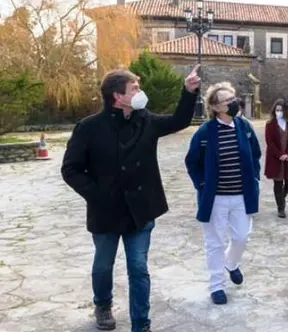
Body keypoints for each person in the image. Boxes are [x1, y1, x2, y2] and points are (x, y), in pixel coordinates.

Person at [61, 66, 201, 332]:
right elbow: (71, 169)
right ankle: (102, 304)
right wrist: (98, 195)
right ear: (117, 96)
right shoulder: (89, 127)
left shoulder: (145, 120)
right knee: (103, 266)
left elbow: (178, 121)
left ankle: (141, 323)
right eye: (134, 88)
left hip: (141, 211)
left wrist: (189, 92)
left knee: (138, 268)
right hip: (106, 212)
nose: (140, 92)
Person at [184, 82, 261, 305]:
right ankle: (217, 285)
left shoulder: (244, 126)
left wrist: (254, 178)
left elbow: (255, 154)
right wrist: (201, 184)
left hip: (241, 196)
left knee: (241, 237)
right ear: (216, 107)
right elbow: (191, 161)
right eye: (228, 101)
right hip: (215, 198)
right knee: (214, 242)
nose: (233, 103)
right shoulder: (205, 132)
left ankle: (231, 263)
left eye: (233, 98)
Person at [264, 98, 288, 218]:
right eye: (276, 110)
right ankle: (281, 208)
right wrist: (279, 154)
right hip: (275, 158)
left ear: (285, 111)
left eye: (280, 110)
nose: (278, 112)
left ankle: (281, 198)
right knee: (278, 183)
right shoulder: (270, 124)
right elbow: (270, 142)